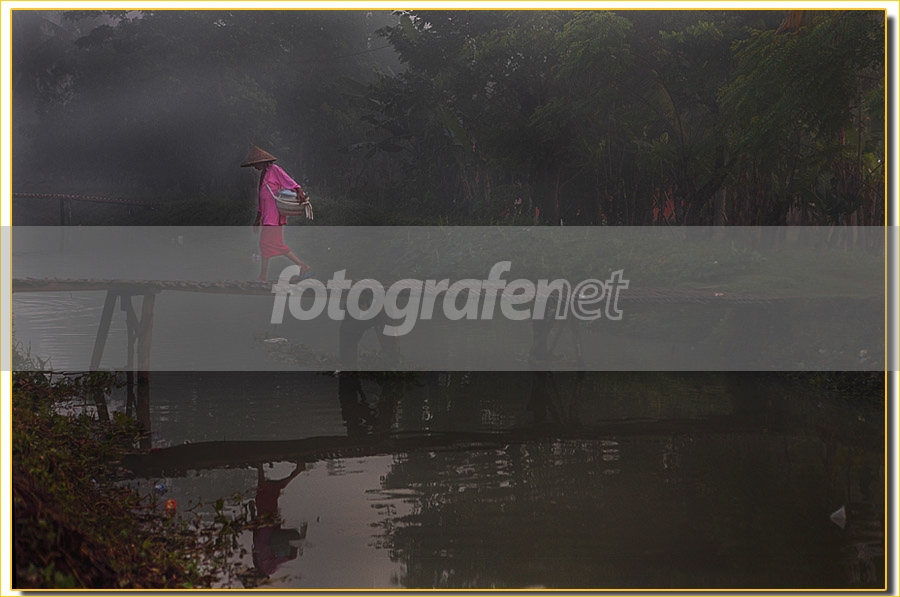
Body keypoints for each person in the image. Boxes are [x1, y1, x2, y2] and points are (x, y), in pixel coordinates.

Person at [241, 145, 311, 282]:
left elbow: (290, 182)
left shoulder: (274, 170)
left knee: (265, 244)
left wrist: (299, 191)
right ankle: (301, 266)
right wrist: (257, 219)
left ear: (262, 161)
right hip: (268, 218)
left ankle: (264, 276)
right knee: (273, 245)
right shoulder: (263, 175)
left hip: (273, 217)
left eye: (255, 164)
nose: (254, 167)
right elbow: (262, 201)